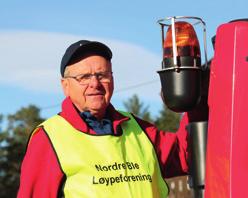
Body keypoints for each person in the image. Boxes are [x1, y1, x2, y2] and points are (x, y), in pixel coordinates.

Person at [17, 40, 192, 198]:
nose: (95, 84)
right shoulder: (49, 137)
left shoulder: (137, 129)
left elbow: (188, 154)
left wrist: (194, 100)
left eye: (102, 75)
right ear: (65, 86)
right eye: (84, 77)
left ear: (112, 79)